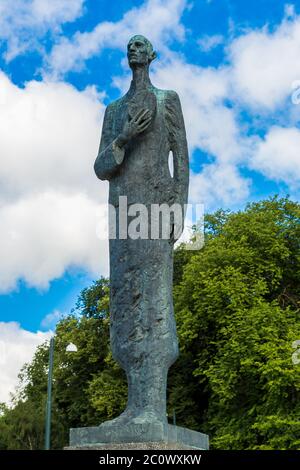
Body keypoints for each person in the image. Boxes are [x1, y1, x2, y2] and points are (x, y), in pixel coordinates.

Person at [94, 35, 189, 426]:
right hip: (122, 214)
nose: (134, 50)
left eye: (141, 45)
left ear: (151, 56)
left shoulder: (168, 100)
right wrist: (124, 137)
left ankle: (153, 409)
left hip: (154, 210)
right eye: (130, 46)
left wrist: (178, 210)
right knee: (124, 303)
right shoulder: (114, 110)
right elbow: (102, 168)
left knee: (153, 300)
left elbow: (181, 159)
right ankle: (135, 407)